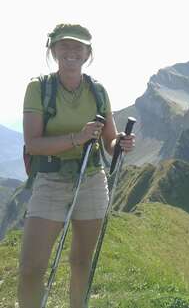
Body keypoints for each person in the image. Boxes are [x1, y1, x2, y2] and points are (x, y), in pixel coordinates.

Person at [18, 24, 135, 308]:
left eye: (78, 47)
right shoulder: (39, 88)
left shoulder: (97, 90)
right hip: (51, 180)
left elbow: (108, 141)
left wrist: (119, 143)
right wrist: (78, 138)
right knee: (32, 267)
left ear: (88, 53)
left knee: (82, 260)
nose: (71, 52)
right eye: (64, 45)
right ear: (53, 49)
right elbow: (33, 143)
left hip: (92, 180)